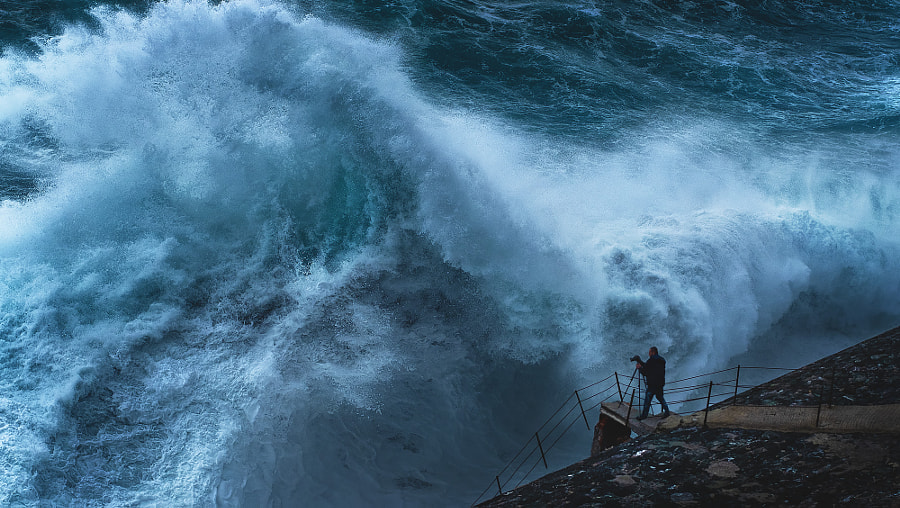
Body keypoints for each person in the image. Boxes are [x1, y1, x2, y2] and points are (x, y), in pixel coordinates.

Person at [634, 346, 670, 420]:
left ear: (653, 352)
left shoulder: (651, 360)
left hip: (652, 384)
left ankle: (644, 416)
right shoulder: (662, 360)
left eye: (649, 352)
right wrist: (641, 362)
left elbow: (646, 372)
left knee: (647, 400)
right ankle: (667, 411)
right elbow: (649, 367)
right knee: (660, 397)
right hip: (660, 383)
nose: (649, 354)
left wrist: (640, 368)